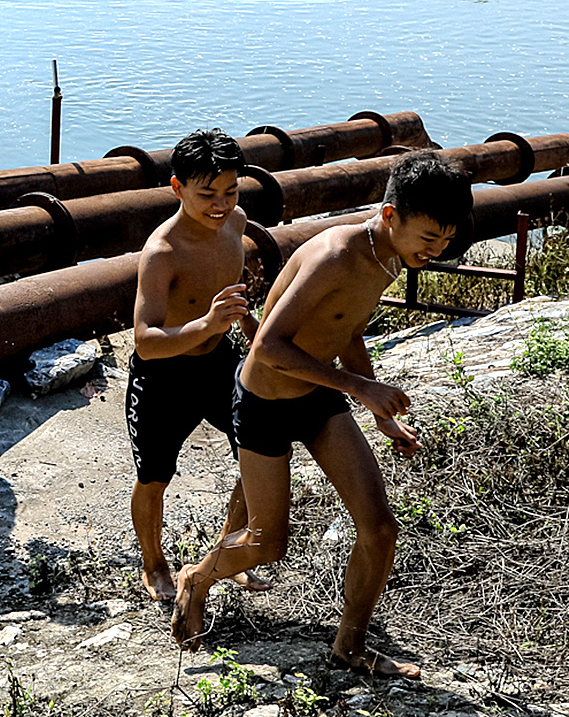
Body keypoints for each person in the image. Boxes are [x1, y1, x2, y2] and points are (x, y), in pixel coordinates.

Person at [171, 150, 472, 678]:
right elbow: (266, 345)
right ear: (390, 215)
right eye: (429, 239)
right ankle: (196, 577)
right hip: (264, 401)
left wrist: (377, 410)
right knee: (267, 545)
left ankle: (349, 647)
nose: (437, 250)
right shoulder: (336, 254)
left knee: (380, 528)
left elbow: (348, 327)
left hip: (316, 395)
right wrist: (359, 387)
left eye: (445, 241)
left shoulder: (391, 256)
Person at [127, 128, 271, 602]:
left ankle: (229, 556)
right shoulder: (162, 252)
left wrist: (246, 323)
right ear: (177, 188)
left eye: (230, 191)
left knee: (259, 454)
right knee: (154, 476)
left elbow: (230, 288)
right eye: (206, 194)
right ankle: (153, 563)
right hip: (163, 375)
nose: (220, 204)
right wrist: (208, 323)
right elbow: (145, 341)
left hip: (218, 362)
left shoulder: (237, 223)